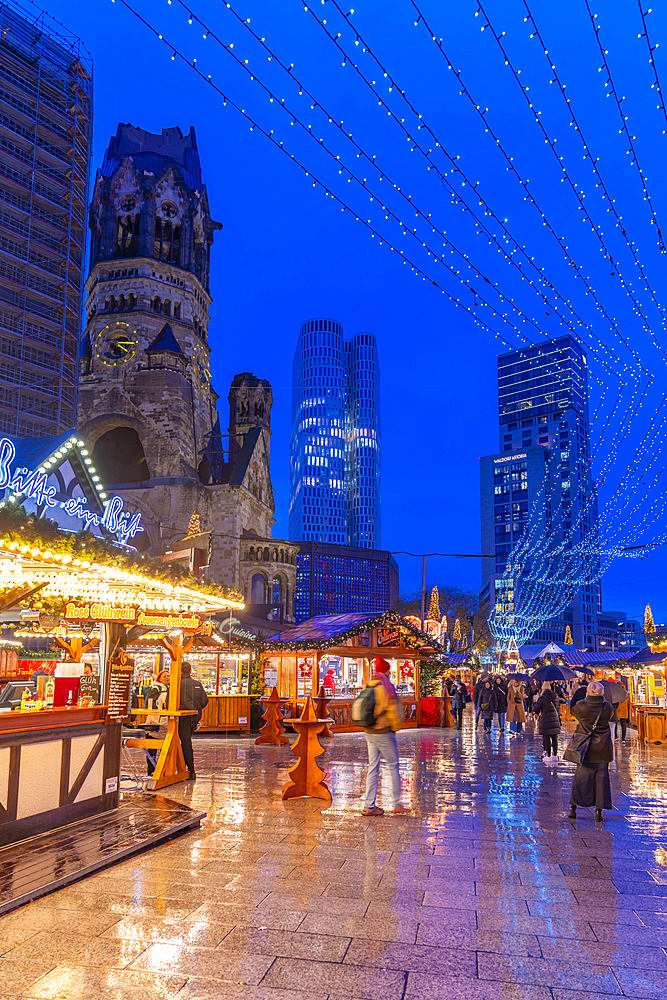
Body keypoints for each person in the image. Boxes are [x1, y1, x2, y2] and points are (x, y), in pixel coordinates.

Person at [362, 657, 407, 816]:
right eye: (388, 669)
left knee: (372, 767)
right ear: (386, 670)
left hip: (370, 732)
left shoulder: (370, 684)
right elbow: (393, 711)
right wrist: (395, 727)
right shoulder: (386, 686)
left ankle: (369, 805)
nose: (390, 672)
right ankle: (396, 803)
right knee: (393, 766)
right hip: (384, 732)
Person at [569, 680, 614, 822]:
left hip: (585, 748)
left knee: (581, 777)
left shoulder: (581, 706)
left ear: (588, 692)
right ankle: (598, 811)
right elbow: (610, 717)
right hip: (602, 748)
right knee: (601, 778)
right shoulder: (607, 707)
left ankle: (573, 807)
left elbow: (574, 712)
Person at [179, 661, 209, 780]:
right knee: (186, 740)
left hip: (182, 716)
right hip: (195, 715)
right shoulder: (197, 683)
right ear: (190, 671)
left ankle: (190, 770)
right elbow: (204, 700)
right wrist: (196, 708)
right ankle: (186, 768)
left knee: (185, 742)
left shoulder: (177, 684)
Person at [534, 681, 561, 763]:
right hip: (554, 719)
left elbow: (536, 708)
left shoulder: (542, 698)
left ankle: (548, 755)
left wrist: (535, 704)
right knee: (554, 737)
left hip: (545, 719)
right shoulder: (555, 696)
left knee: (547, 738)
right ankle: (555, 755)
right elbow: (558, 708)